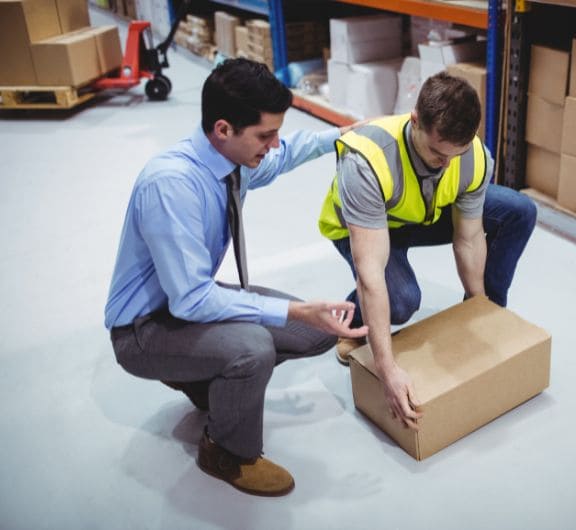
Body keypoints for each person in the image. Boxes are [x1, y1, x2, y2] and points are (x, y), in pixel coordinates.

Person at [105, 58, 368, 497]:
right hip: (144, 329)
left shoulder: (233, 161)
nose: (274, 144)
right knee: (253, 346)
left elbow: (285, 157)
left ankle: (208, 383)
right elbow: (190, 301)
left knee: (314, 333)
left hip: (182, 304)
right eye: (265, 135)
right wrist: (292, 309)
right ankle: (227, 451)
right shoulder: (171, 185)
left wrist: (341, 138)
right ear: (223, 129)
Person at [318, 71, 537, 431]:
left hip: (422, 211)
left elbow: (468, 237)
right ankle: (354, 322)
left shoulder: (473, 158)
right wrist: (386, 369)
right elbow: (371, 270)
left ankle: (489, 313)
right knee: (401, 300)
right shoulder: (368, 159)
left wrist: (476, 312)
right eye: (437, 152)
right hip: (365, 226)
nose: (446, 163)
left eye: (457, 153)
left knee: (518, 211)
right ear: (415, 121)